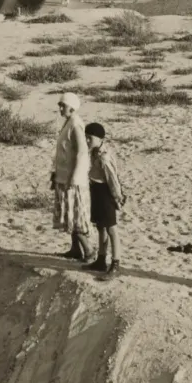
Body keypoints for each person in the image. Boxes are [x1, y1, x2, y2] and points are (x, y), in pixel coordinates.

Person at [50, 93, 94, 263]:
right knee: (69, 215)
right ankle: (76, 249)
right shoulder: (69, 123)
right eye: (60, 105)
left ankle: (88, 250)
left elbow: (82, 153)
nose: (60, 108)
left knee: (75, 217)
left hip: (73, 180)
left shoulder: (76, 124)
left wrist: (74, 178)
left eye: (63, 105)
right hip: (64, 176)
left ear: (72, 107)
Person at [83, 122, 126, 277]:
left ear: (100, 138)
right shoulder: (94, 152)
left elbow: (113, 179)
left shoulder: (104, 157)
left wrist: (117, 198)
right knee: (101, 226)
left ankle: (115, 263)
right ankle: (101, 260)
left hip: (105, 192)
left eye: (90, 138)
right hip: (96, 190)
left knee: (111, 229)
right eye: (86, 137)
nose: (87, 141)